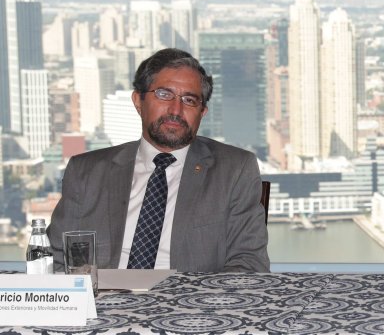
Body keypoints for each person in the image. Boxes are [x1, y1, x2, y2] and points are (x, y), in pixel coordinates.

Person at [48, 48, 268, 272]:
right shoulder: (86, 172)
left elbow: (249, 264)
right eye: (164, 94)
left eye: (189, 100)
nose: (176, 110)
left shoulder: (234, 170)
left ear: (202, 112)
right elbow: (56, 260)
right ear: (138, 101)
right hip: (102, 292)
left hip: (192, 293)